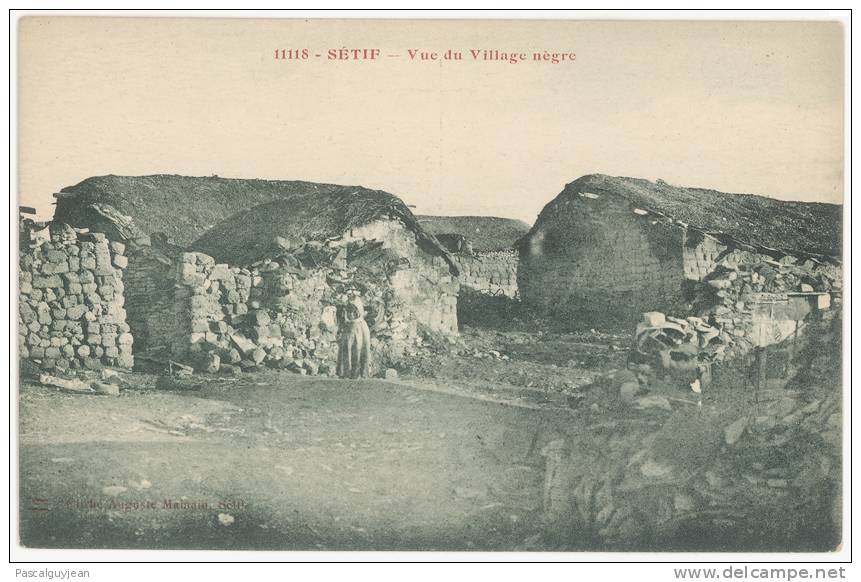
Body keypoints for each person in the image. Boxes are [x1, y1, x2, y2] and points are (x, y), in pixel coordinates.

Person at [337, 293, 371, 379]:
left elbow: (359, 317)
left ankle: (357, 372)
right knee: (347, 348)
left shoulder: (361, 323)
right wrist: (348, 321)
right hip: (349, 328)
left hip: (358, 328)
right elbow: (346, 317)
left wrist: (353, 321)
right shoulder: (347, 307)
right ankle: (347, 371)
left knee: (358, 348)